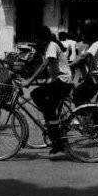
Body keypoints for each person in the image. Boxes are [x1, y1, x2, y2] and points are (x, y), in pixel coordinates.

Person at [24, 26, 73, 154]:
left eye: (37, 39)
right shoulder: (49, 46)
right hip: (59, 80)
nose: (36, 42)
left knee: (38, 95)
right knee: (45, 103)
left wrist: (29, 81)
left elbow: (44, 65)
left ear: (43, 38)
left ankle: (55, 134)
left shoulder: (51, 45)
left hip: (63, 82)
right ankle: (53, 126)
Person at [70, 25, 98, 107]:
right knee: (83, 97)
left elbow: (83, 56)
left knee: (77, 94)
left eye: (83, 35)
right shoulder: (92, 45)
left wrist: (70, 65)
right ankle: (91, 116)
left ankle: (95, 117)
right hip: (96, 76)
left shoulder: (96, 44)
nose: (82, 37)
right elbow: (81, 56)